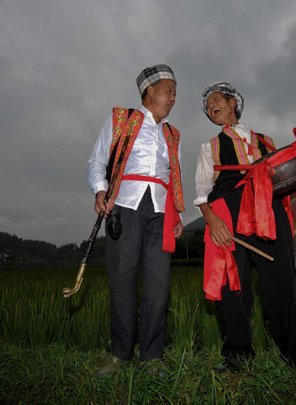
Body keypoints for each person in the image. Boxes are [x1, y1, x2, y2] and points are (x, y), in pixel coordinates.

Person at [194, 81, 296, 372]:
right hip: (229, 210)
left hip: (268, 208)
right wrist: (213, 222)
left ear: (233, 102)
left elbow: (287, 179)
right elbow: (201, 191)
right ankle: (238, 356)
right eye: (208, 106)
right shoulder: (209, 147)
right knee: (232, 285)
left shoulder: (266, 141)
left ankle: (295, 356)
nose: (211, 106)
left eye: (216, 99)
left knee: (283, 280)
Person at [87, 64, 185, 377]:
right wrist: (101, 190)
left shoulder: (172, 134)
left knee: (158, 284)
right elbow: (97, 160)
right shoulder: (121, 119)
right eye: (169, 91)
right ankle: (120, 353)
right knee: (122, 281)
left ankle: (152, 356)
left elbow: (174, 177)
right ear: (150, 91)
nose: (172, 98)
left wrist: (177, 215)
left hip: (160, 211)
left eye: (174, 93)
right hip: (124, 205)